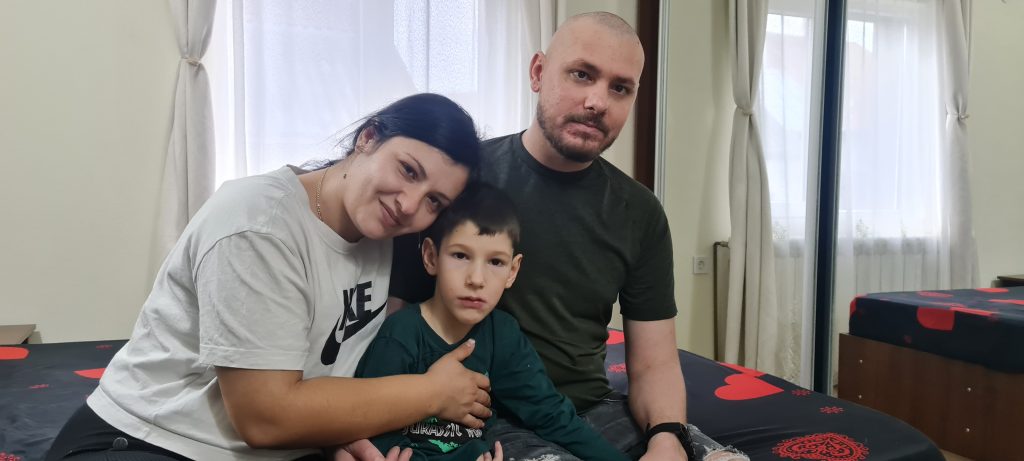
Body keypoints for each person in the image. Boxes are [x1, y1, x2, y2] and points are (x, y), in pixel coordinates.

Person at [46, 93, 493, 461]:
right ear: (368, 138)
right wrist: (431, 393)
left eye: (434, 201)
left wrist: (339, 436)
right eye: (407, 170)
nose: (410, 205)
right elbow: (266, 417)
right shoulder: (259, 223)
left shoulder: (383, 234)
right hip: (153, 440)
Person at [390, 14, 748, 461]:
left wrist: (666, 436)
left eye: (621, 88)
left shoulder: (639, 213)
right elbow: (394, 319)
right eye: (581, 74)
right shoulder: (459, 179)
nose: (598, 101)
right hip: (480, 416)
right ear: (538, 73)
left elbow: (654, 362)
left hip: (591, 409)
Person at [354, 184, 630, 461]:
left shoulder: (502, 333)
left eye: (495, 262)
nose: (477, 279)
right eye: (460, 256)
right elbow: (373, 429)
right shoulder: (400, 335)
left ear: (512, 271)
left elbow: (548, 412)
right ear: (431, 257)